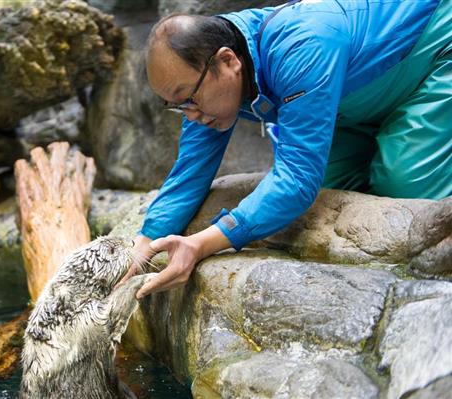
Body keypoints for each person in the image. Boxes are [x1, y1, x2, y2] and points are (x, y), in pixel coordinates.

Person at [126, 0, 452, 298]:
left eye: (189, 99)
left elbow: (296, 180)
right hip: (354, 101)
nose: (190, 114)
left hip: (434, 51)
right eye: (176, 106)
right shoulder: (207, 64)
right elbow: (190, 171)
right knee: (334, 193)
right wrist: (142, 245)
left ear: (227, 62)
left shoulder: (300, 47)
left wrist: (200, 244)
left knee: (402, 185)